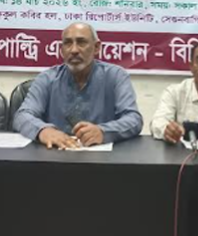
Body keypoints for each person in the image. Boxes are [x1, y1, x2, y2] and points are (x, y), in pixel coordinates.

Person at [13, 22, 143, 148]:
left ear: (96, 47)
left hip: (102, 158)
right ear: (61, 50)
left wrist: (103, 131)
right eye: (68, 43)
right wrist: (43, 131)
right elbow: (22, 116)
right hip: (55, 156)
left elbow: (134, 119)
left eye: (81, 42)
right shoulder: (47, 79)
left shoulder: (115, 76)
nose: (74, 50)